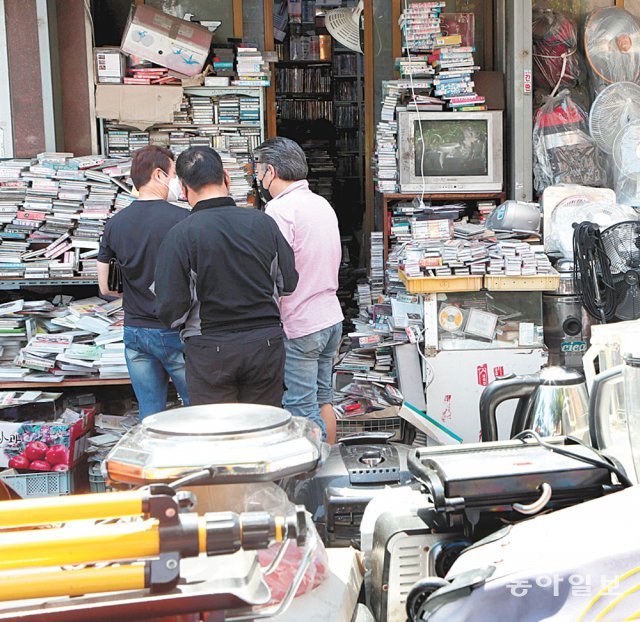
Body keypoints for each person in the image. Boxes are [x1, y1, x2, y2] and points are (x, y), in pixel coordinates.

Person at [154, 146, 298, 407]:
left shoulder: (180, 235)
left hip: (210, 351)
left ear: (184, 191)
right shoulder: (263, 223)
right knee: (263, 432)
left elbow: (171, 311)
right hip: (264, 345)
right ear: (227, 178)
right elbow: (288, 283)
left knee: (218, 436)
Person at [255, 137, 343, 443]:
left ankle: (310, 483)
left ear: (270, 171)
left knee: (300, 409)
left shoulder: (279, 211)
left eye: (258, 169)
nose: (258, 177)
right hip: (330, 316)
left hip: (300, 322)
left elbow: (272, 271)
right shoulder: (321, 204)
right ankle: (330, 467)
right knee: (324, 399)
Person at [97, 145, 190, 419]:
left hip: (135, 331)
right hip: (176, 330)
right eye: (175, 174)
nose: (178, 182)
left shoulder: (116, 223)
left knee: (149, 414)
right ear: (159, 175)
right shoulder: (183, 220)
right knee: (197, 410)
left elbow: (104, 287)